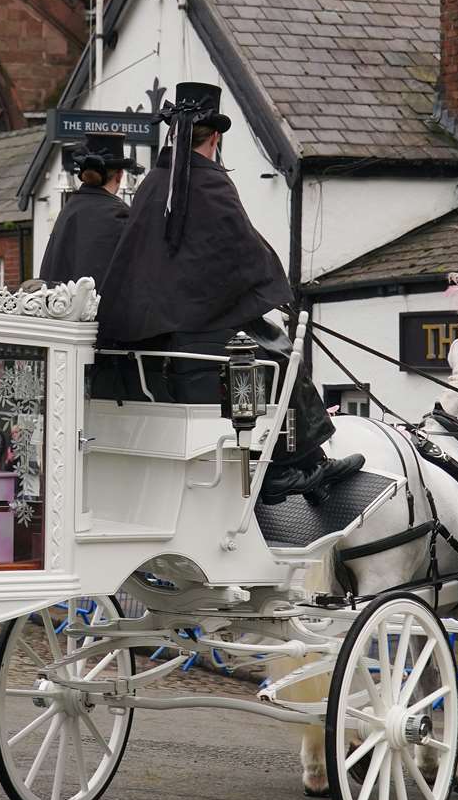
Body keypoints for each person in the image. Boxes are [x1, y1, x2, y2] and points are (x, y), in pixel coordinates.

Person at [98, 81, 361, 504]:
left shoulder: (150, 186)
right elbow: (244, 255)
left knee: (266, 343)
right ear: (216, 136)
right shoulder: (210, 183)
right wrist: (276, 292)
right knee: (279, 352)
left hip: (150, 341)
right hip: (196, 342)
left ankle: (296, 463)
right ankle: (293, 464)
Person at [40, 131, 144, 400]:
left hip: (60, 347)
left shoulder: (68, 211)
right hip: (104, 354)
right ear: (119, 176)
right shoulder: (118, 215)